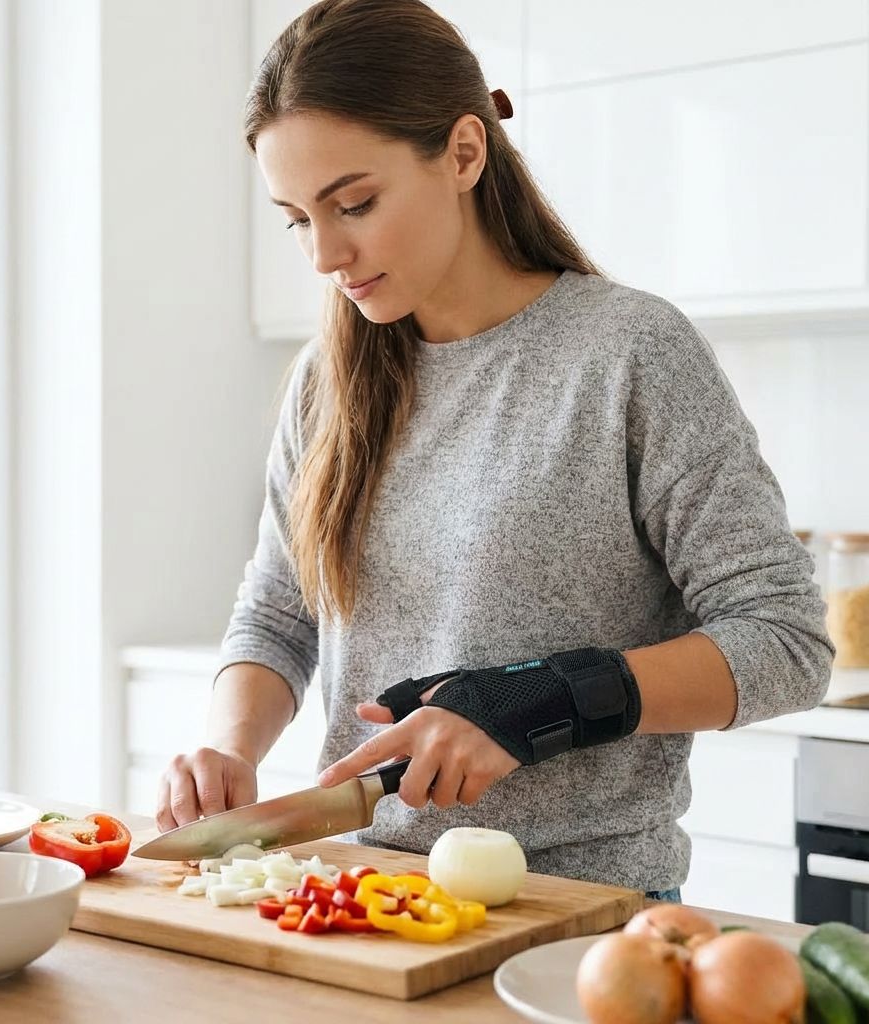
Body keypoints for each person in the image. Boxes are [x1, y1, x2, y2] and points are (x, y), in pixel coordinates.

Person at [156, 0, 833, 901]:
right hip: (362, 898)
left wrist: (547, 698)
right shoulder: (328, 380)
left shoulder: (628, 354)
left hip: (577, 917)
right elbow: (280, 617)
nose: (324, 254)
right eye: (295, 219)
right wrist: (227, 746)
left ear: (465, 153)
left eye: (354, 203)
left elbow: (785, 642)